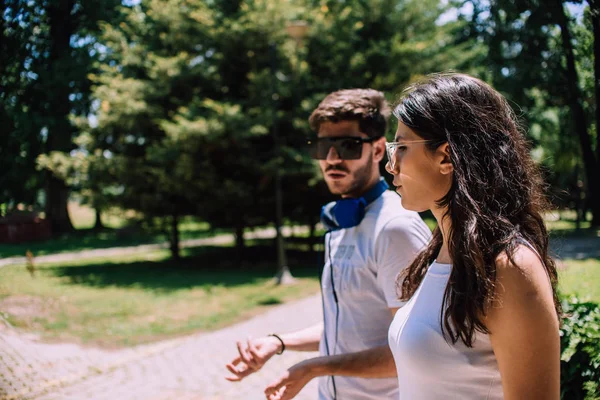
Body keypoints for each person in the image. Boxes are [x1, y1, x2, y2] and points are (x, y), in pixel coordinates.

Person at [225, 88, 431, 400]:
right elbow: (348, 329)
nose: (332, 159)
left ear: (378, 150)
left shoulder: (395, 228)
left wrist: (314, 367)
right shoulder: (339, 222)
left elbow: (414, 352)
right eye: (324, 146)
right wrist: (279, 342)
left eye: (348, 146)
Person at [385, 73, 561, 399]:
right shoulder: (440, 253)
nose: (391, 165)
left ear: (446, 157)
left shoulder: (510, 267)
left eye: (401, 147)